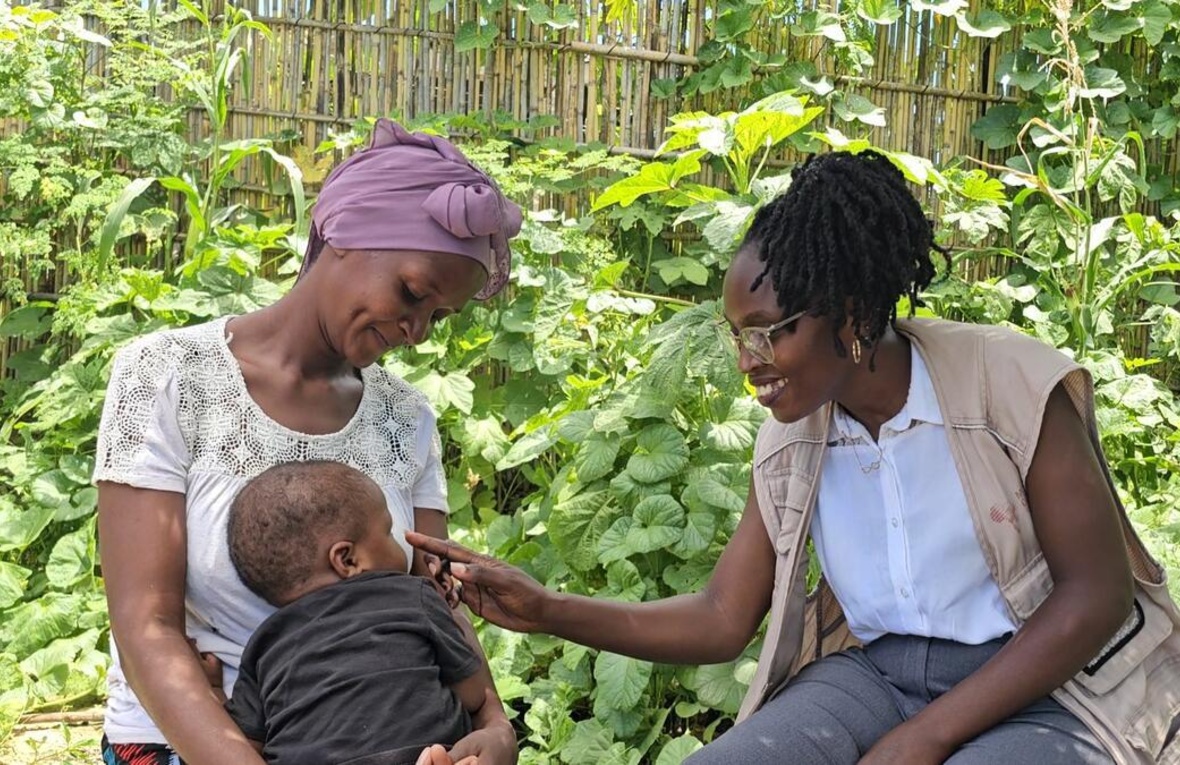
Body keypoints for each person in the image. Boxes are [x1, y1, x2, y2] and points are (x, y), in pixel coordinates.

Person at [408, 151, 1180, 765]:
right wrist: (548, 610)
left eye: (768, 330)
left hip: (1047, 685)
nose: (748, 360)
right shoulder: (796, 433)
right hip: (876, 675)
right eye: (735, 333)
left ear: (851, 313)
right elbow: (721, 618)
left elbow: (1096, 597)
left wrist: (927, 737)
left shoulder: (1007, 385)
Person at [94, 118, 522, 765]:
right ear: (346, 232)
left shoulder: (406, 418)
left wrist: (493, 723)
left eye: (438, 317)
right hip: (189, 740)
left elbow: (432, 598)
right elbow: (145, 624)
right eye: (411, 293)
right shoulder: (168, 375)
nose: (417, 330)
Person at [224, 460, 486, 765]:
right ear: (346, 559)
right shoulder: (412, 595)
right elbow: (473, 694)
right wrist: (457, 623)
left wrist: (215, 688)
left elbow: (247, 740)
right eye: (389, 532)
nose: (399, 544)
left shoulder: (263, 645)